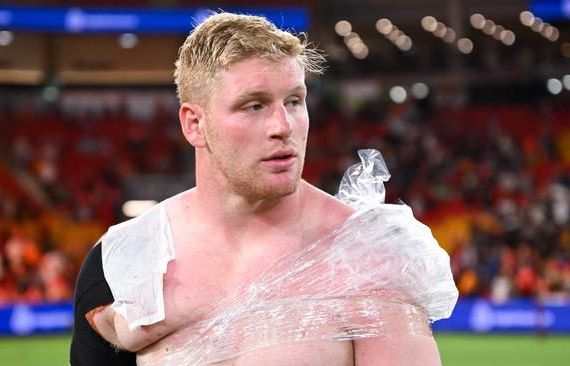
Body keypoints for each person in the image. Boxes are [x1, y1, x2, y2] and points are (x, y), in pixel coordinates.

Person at [71, 12, 451, 365]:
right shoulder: (124, 261)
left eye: (294, 101)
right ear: (193, 124)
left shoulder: (369, 259)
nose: (283, 125)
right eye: (254, 106)